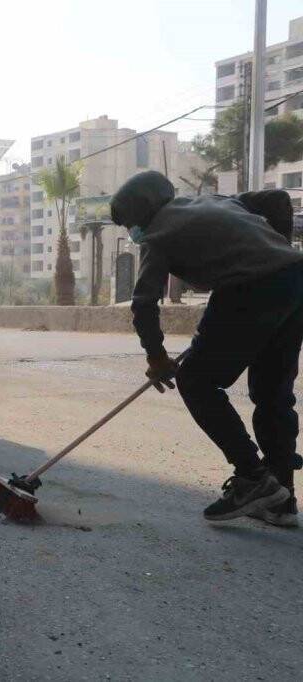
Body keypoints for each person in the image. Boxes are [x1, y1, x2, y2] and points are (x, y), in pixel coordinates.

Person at [111, 170, 303, 526]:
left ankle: (253, 477)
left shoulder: (157, 235)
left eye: (129, 225)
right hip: (295, 279)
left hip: (248, 288)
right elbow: (277, 200)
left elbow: (143, 303)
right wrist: (277, 250)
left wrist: (157, 357)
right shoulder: (213, 201)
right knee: (273, 394)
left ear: (141, 212)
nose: (132, 233)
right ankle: (281, 499)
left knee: (196, 381)